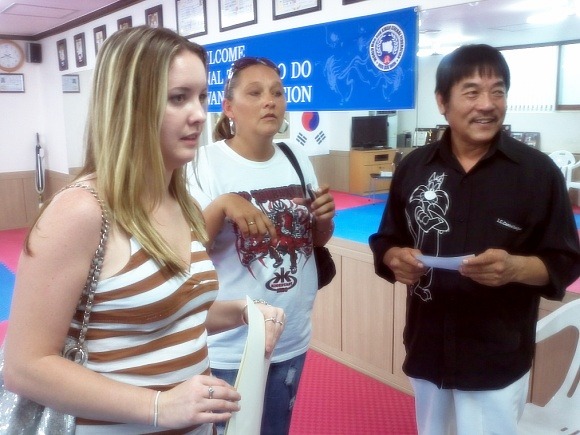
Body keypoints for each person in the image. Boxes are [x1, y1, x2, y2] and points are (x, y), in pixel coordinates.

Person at [3, 26, 285, 434]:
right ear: (129, 105)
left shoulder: (182, 202)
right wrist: (159, 406)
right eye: (178, 98)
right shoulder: (81, 211)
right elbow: (25, 367)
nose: (198, 114)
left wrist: (243, 310)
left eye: (201, 97)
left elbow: (168, 315)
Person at [369, 44, 580, 435]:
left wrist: (515, 268)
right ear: (442, 102)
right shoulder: (414, 168)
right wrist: (393, 257)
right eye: (471, 92)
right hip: (428, 346)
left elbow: (565, 260)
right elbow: (387, 239)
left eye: (498, 91)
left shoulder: (537, 173)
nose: (487, 104)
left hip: (496, 356)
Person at [188, 56, 336, 435]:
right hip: (231, 344)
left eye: (277, 93)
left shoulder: (295, 156)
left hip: (291, 331)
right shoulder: (204, 163)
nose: (269, 101)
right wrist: (223, 205)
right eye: (255, 93)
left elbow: (315, 241)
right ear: (229, 107)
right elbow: (189, 249)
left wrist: (323, 218)